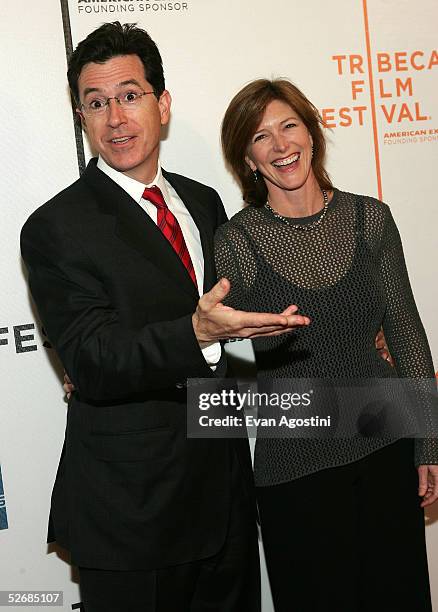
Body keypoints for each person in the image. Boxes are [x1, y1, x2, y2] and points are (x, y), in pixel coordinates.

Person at [20, 26, 310, 612]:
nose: (115, 118)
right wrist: (196, 334)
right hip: (133, 515)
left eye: (129, 96)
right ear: (82, 116)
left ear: (163, 103)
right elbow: (94, 362)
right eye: (96, 104)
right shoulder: (55, 228)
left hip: (225, 502)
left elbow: (246, 312)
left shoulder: (202, 201)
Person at [215, 78, 438, 612]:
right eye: (260, 136)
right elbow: (229, 346)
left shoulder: (369, 218)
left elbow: (405, 330)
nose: (280, 144)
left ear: (312, 134)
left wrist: (428, 439)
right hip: (296, 462)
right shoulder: (237, 241)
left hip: (385, 442)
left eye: (289, 125)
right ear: (248, 159)